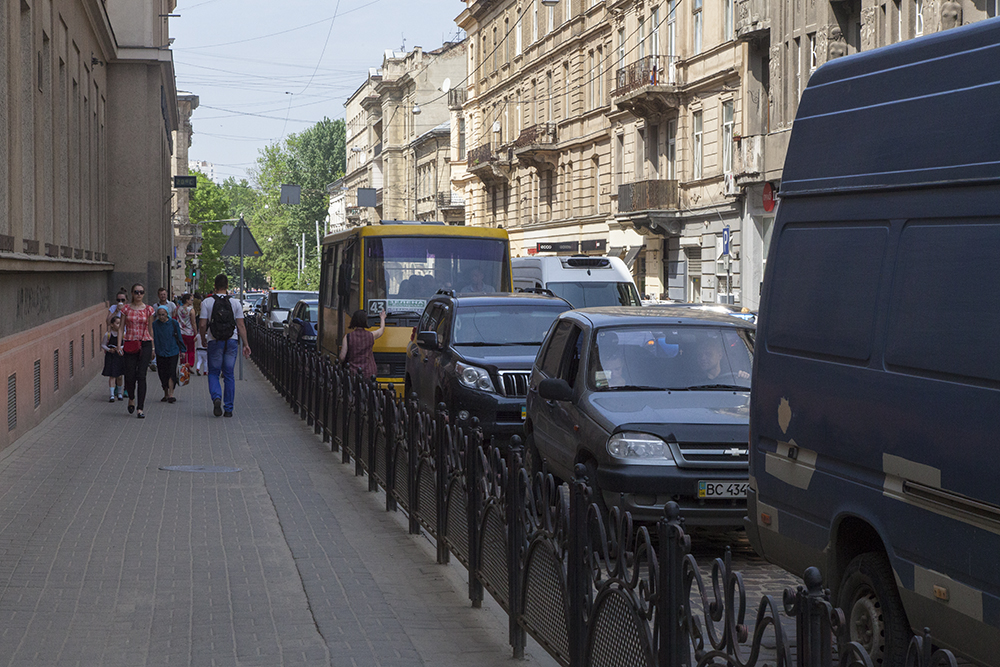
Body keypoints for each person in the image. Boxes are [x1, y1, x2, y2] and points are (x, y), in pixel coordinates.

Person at [199, 274, 251, 418]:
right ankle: (228, 408)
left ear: (214, 286)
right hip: (231, 341)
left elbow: (202, 324)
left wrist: (203, 338)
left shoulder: (207, 302)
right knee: (229, 374)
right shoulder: (235, 303)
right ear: (227, 286)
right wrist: (245, 344)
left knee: (213, 373)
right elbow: (241, 325)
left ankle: (216, 397)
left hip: (214, 340)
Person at [121, 283, 155, 418]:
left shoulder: (149, 309)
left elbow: (150, 329)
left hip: (145, 343)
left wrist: (153, 347)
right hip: (130, 342)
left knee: (141, 375)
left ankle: (140, 408)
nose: (139, 294)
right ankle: (131, 397)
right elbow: (121, 328)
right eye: (136, 292)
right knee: (130, 375)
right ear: (132, 293)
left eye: (141, 292)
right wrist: (119, 345)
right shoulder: (126, 309)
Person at [152, 305, 185, 403]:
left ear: (167, 314)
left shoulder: (173, 323)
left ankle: (171, 394)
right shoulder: (155, 324)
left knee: (171, 372)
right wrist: (152, 350)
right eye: (159, 315)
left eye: (163, 314)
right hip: (160, 351)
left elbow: (179, 336)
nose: (161, 317)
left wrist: (183, 350)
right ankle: (165, 392)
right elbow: (152, 337)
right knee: (162, 373)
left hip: (173, 351)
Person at [338, 308, 386, 378]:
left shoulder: (347, 337)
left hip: (353, 373)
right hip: (369, 373)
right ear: (365, 321)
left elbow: (342, 357)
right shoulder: (371, 335)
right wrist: (382, 318)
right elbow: (381, 330)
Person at [101, 315, 125, 402]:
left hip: (119, 356)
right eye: (117, 323)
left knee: (119, 376)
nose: (119, 325)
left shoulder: (123, 334)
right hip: (111, 356)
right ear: (112, 324)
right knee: (112, 375)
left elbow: (125, 344)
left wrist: (120, 348)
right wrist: (109, 349)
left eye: (120, 323)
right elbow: (103, 344)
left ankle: (119, 393)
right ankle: (111, 395)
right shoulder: (108, 335)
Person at [176, 293, 197, 371]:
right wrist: (196, 333)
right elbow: (193, 322)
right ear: (187, 300)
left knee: (182, 349)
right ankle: (190, 364)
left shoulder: (178, 309)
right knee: (191, 349)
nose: (192, 301)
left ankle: (183, 364)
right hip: (189, 332)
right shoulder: (191, 310)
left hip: (180, 332)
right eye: (191, 299)